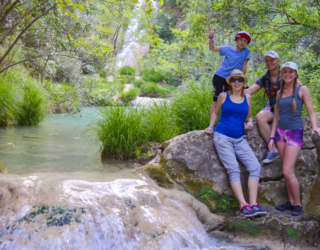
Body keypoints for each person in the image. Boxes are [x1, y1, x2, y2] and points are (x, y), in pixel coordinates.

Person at [205, 69, 267, 217]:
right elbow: (215, 112)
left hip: (240, 138)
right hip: (222, 136)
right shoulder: (223, 96)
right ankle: (243, 205)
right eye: (234, 80)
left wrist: (250, 123)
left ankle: (253, 204)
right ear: (230, 82)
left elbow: (249, 117)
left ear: (244, 82)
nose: (237, 82)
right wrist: (210, 126)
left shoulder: (247, 97)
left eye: (240, 80)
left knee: (255, 167)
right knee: (234, 169)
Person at [268, 62, 320, 216]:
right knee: (285, 171)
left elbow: (311, 111)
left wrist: (315, 127)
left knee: (287, 170)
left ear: (296, 73)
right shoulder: (280, 92)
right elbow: (276, 116)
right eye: (285, 71)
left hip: (294, 133)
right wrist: (272, 136)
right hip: (280, 133)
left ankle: (297, 204)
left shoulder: (302, 90)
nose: (287, 74)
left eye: (291, 72)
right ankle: (290, 202)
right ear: (282, 73)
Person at [245, 51, 281, 163]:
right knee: (260, 118)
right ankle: (273, 150)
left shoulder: (286, 74)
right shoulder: (265, 78)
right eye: (267, 60)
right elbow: (250, 91)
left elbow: (298, 87)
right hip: (272, 107)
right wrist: (232, 91)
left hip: (286, 108)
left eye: (272, 60)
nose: (269, 62)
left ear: (278, 61)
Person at [208, 28, 251, 117]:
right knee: (216, 101)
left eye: (245, 41)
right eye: (240, 40)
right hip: (220, 77)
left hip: (233, 79)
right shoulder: (228, 49)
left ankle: (235, 120)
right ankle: (212, 125)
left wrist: (243, 81)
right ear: (236, 40)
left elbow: (244, 66)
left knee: (233, 100)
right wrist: (211, 37)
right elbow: (212, 48)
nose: (242, 42)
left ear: (247, 43)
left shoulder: (246, 51)